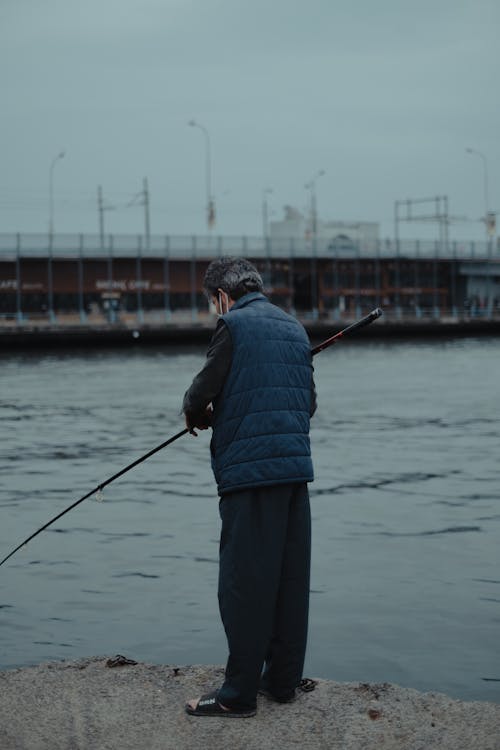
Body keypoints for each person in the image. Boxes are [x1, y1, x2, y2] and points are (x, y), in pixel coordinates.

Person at [182, 257, 316, 718]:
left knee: (243, 584)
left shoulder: (232, 327)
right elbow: (308, 403)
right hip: (295, 475)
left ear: (222, 296)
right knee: (288, 581)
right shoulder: (295, 329)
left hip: (250, 476)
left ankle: (237, 695)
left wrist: (198, 415)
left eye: (212, 303)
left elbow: (199, 395)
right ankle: (281, 682)